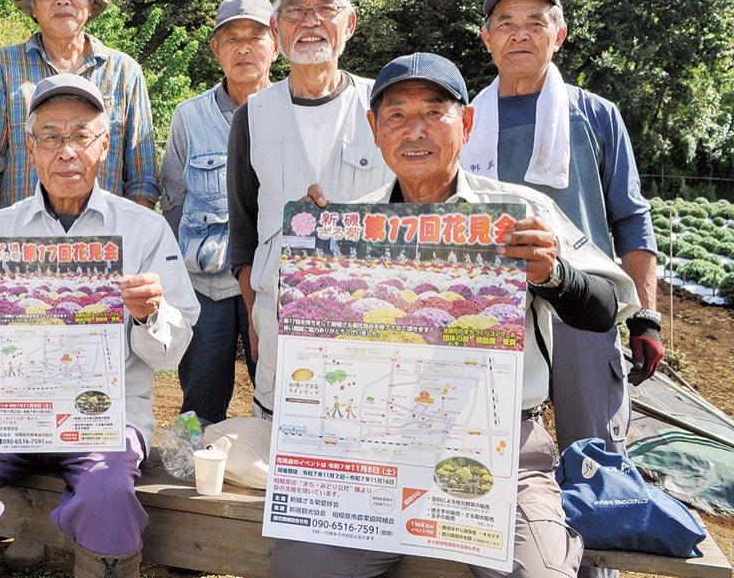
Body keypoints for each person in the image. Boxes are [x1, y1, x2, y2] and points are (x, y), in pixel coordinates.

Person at [269, 52, 640, 577]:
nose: (414, 130)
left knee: (535, 573)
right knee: (303, 567)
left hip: (500, 450)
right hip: (371, 452)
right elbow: (308, 336)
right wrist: (311, 251)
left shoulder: (519, 213)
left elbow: (604, 310)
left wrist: (553, 274)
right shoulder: (350, 222)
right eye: (397, 115)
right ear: (375, 129)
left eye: (433, 112)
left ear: (465, 123)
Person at [0, 74, 199, 578]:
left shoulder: (145, 230)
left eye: (80, 135)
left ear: (104, 145)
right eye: (51, 136)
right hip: (8, 411)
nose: (66, 150)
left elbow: (172, 351)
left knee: (108, 493)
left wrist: (150, 313)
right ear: (30, 148)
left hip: (105, 415)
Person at [461, 0, 662, 459]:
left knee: (594, 452)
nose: (520, 34)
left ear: (559, 34)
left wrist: (646, 317)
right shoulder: (464, 120)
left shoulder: (595, 115)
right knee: (488, 448)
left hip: (583, 302)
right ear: (487, 38)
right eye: (505, 23)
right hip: (491, 310)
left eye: (536, 22)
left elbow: (631, 218)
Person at [227, 0, 393, 419]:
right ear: (276, 30)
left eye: (325, 8)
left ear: (349, 24)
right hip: (279, 317)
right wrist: (254, 318)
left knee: (367, 419)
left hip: (372, 314)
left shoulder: (384, 108)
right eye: (295, 10)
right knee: (283, 427)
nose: (310, 20)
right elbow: (243, 230)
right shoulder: (252, 116)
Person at [0, 0, 159, 226]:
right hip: (24, 242)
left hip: (105, 242)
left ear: (91, 3)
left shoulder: (125, 71)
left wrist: (134, 242)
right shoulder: (0, 66)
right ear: (33, 6)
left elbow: (142, 178)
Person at [158, 0, 277, 424]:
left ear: (276, 43)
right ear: (216, 49)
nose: (244, 48)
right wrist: (175, 278)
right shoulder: (189, 117)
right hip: (203, 284)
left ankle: (272, 459)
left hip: (271, 282)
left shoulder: (289, 114)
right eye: (232, 38)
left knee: (278, 387)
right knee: (200, 395)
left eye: (255, 36)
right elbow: (173, 199)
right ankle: (188, 458)